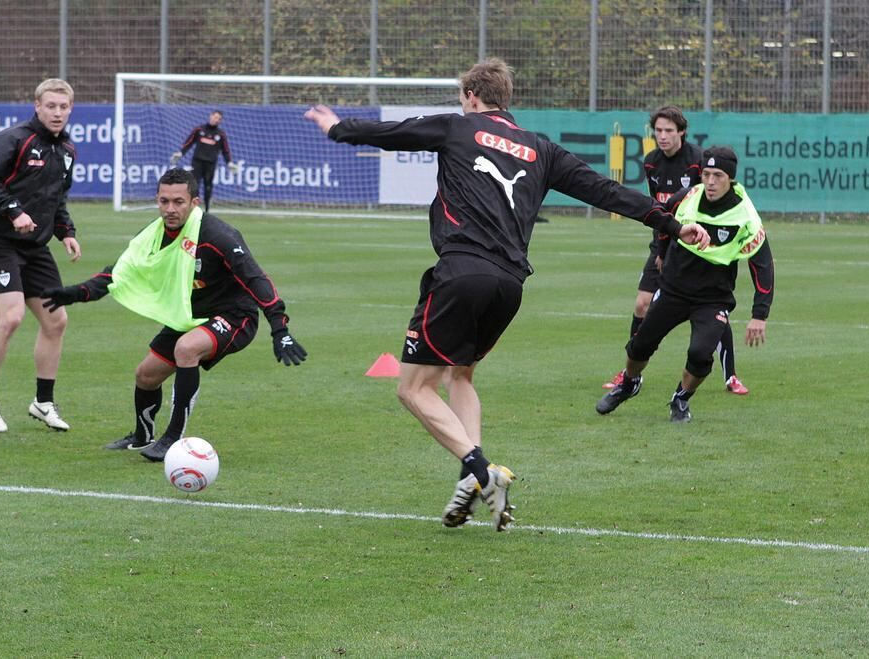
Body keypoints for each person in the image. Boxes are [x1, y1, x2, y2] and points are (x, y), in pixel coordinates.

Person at [304, 58, 710, 531]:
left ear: (472, 96)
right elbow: (605, 191)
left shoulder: (459, 128)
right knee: (461, 376)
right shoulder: (541, 148)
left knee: (413, 388)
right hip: (509, 286)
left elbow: (394, 133)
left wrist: (338, 128)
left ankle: (482, 471)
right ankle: (468, 478)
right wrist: (674, 224)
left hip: (460, 274)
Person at [40, 168, 307, 462]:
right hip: (188, 315)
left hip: (234, 316)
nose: (170, 209)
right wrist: (76, 293)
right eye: (164, 201)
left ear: (194, 202)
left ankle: (172, 438)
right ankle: (142, 436)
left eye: (178, 202)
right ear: (156, 200)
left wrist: (279, 328)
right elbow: (118, 274)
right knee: (145, 375)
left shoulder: (218, 235)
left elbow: (256, 278)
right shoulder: (152, 236)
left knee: (187, 348)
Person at [596, 146, 774, 423]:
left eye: (718, 175)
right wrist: (661, 255)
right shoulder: (687, 197)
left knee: (700, 354)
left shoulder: (746, 217)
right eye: (706, 174)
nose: (711, 182)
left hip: (713, 298)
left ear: (731, 179)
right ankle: (630, 383)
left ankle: (680, 399)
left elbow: (762, 264)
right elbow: (662, 220)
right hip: (673, 290)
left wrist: (759, 315)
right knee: (640, 345)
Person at [603, 105, 748, 395]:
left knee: (713, 309)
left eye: (669, 130)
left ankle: (730, 375)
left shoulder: (698, 162)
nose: (663, 136)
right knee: (643, 304)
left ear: (681, 131)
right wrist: (660, 249)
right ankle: (630, 374)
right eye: (658, 130)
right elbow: (659, 209)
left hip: (697, 248)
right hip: (666, 240)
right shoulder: (651, 162)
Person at [0, 78, 82, 434]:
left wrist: (67, 233)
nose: (57, 113)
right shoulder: (14, 139)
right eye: (51, 106)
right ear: (37, 106)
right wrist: (13, 211)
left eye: (63, 107)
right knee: (12, 317)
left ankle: (42, 402)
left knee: (56, 321)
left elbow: (56, 199)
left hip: (35, 246)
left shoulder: (67, 151)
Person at [170, 110, 236, 212]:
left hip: (210, 163)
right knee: (194, 185)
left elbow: (226, 150)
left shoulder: (221, 134)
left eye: (219, 119)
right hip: (197, 162)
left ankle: (207, 210)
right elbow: (189, 142)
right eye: (215, 117)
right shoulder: (199, 129)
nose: (216, 120)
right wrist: (181, 153)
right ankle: (193, 208)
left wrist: (229, 162)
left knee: (208, 186)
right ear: (210, 116)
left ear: (220, 121)